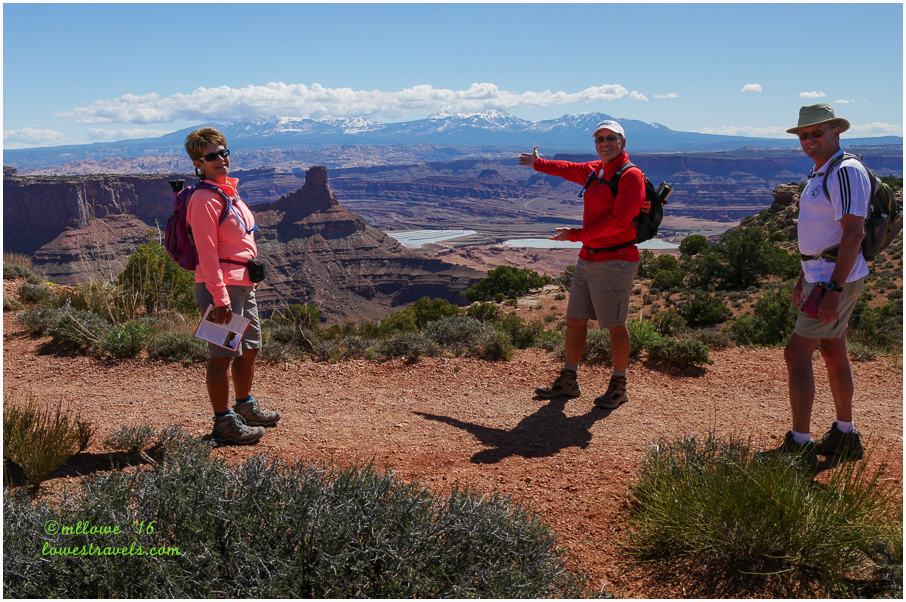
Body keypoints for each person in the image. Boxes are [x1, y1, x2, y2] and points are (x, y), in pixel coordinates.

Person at [765, 104, 869, 467]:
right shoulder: (819, 173)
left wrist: (833, 289)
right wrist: (802, 278)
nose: (809, 140)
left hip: (832, 280)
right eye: (804, 135)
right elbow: (819, 236)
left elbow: (854, 232)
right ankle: (845, 434)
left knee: (796, 353)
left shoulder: (845, 171)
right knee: (832, 349)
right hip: (820, 277)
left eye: (817, 133)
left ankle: (801, 444)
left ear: (835, 132)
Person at [518, 120, 645, 409]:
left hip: (615, 260)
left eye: (611, 138)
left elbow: (618, 223)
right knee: (575, 320)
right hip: (589, 258)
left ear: (622, 142)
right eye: (599, 139)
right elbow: (567, 168)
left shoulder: (630, 176)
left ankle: (619, 385)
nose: (604, 143)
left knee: (614, 325)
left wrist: (574, 236)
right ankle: (569, 381)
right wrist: (538, 164)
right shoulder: (597, 170)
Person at [184, 127, 281, 445]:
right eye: (213, 156)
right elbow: (207, 252)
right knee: (222, 354)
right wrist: (219, 296)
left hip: (243, 284)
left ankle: (245, 407)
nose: (221, 159)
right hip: (220, 288)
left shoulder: (228, 193)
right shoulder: (203, 199)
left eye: (224, 152)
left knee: (249, 350)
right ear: (199, 163)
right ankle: (223, 422)